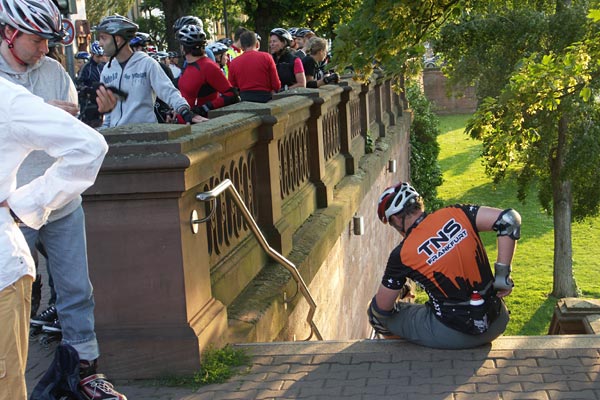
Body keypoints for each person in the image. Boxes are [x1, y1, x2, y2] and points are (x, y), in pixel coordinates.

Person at [0, 76, 110, 400]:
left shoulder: (21, 91)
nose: (44, 47)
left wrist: (27, 203)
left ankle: (84, 370)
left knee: (75, 290)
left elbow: (88, 145)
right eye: (37, 39)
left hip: (30, 225)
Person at [368, 182, 520, 349]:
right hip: (497, 321)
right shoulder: (457, 213)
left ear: (396, 218)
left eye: (391, 223)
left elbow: (382, 308)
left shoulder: (401, 254)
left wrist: (397, 294)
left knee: (375, 313)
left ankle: (401, 355)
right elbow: (508, 220)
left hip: (454, 334)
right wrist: (502, 278)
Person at [94, 14, 203, 127]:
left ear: (117, 40)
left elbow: (168, 91)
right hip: (118, 137)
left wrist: (186, 112)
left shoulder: (146, 64)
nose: (100, 43)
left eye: (103, 38)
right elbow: (108, 115)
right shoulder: (107, 70)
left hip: (145, 136)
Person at [176, 24, 240, 117]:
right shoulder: (187, 66)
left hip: (200, 122)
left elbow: (232, 95)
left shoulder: (208, 66)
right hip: (185, 120)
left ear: (183, 48)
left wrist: (204, 108)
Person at [228, 30, 280, 103]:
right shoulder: (267, 57)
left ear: (242, 46)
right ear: (257, 44)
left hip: (245, 99)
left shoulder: (234, 62)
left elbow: (232, 86)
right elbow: (276, 84)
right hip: (265, 98)